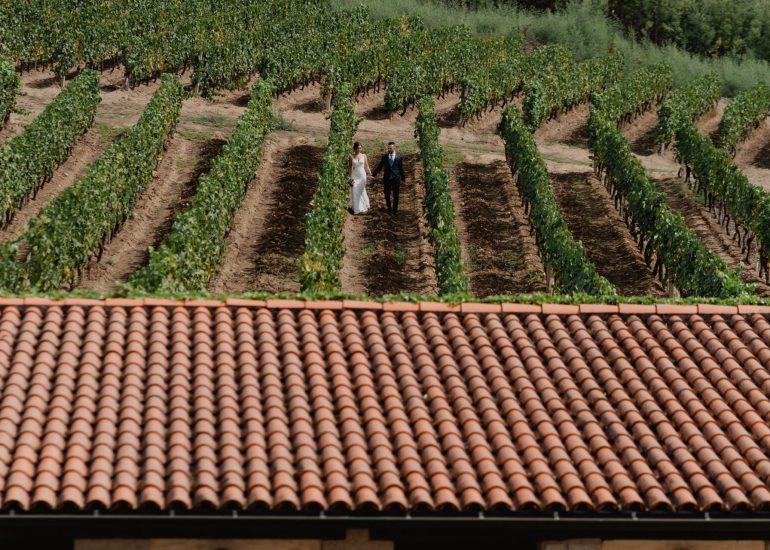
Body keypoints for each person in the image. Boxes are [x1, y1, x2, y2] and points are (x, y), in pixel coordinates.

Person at [372, 141, 405, 214]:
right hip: (387, 178)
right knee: (387, 194)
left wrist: (403, 178)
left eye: (390, 148)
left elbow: (400, 168)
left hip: (396, 178)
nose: (389, 150)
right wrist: (373, 174)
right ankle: (389, 209)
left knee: (396, 195)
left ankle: (395, 210)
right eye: (388, 148)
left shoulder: (399, 157)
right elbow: (380, 166)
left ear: (394, 148)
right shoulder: (385, 157)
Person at [348, 141, 372, 215]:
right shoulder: (351, 157)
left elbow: (366, 166)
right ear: (355, 148)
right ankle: (356, 209)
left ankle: (362, 207)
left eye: (360, 148)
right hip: (354, 176)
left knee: (360, 191)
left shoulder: (364, 156)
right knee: (355, 190)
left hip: (362, 176)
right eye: (358, 148)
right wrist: (350, 177)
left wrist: (370, 173)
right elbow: (350, 168)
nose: (359, 149)